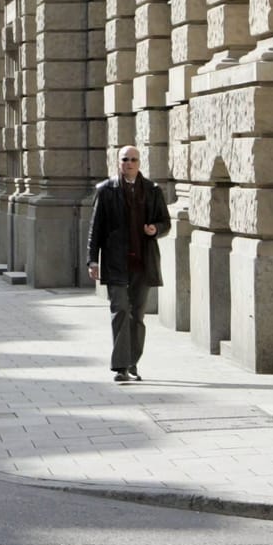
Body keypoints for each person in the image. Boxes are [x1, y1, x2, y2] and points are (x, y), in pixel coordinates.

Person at [86, 144, 172, 382]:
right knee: (120, 310)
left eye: (134, 159)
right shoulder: (105, 190)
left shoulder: (152, 190)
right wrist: (92, 260)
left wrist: (156, 229)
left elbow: (165, 222)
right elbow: (96, 229)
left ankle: (133, 361)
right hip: (115, 262)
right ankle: (121, 366)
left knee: (137, 316)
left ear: (139, 163)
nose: (129, 163)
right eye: (125, 159)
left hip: (143, 264)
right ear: (118, 162)